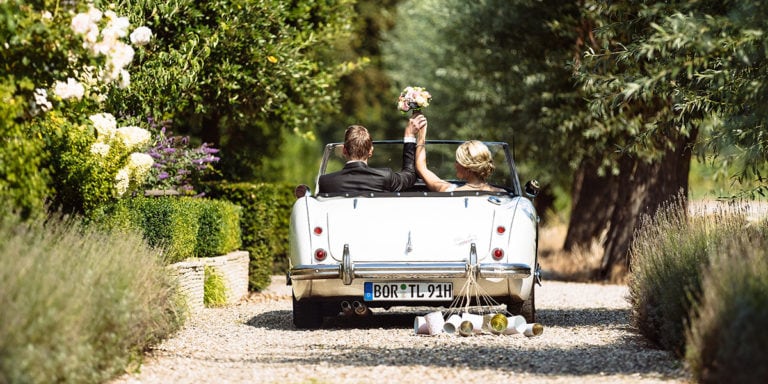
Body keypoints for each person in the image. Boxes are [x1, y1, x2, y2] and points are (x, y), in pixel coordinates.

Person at [318, 112, 427, 193]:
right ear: (371, 151)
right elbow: (410, 175)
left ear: (344, 151)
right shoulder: (385, 177)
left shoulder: (326, 182)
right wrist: (409, 136)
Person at [415, 121, 502, 192]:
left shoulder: (450, 191)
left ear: (467, 167)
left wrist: (421, 135)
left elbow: (421, 168)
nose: (454, 165)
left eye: (457, 161)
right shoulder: (503, 195)